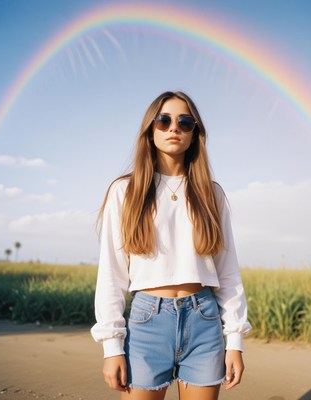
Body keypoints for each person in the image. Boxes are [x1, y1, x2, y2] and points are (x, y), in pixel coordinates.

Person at [91, 91, 252, 400]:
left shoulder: (211, 194)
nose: (174, 128)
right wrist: (111, 347)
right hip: (147, 324)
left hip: (204, 321)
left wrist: (235, 341)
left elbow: (228, 272)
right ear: (150, 132)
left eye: (185, 122)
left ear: (195, 134)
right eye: (163, 121)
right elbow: (112, 274)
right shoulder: (125, 191)